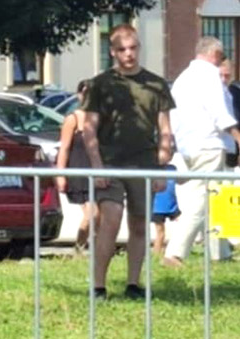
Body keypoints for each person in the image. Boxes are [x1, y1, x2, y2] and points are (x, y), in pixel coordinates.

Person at [75, 24, 175, 299]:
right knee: (111, 219)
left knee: (140, 223)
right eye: (122, 49)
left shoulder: (155, 84)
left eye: (132, 48)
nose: (128, 54)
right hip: (110, 163)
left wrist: (161, 168)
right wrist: (97, 166)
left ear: (138, 48)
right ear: (113, 52)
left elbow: (165, 130)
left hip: (144, 163)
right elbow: (89, 129)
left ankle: (133, 283)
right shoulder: (101, 84)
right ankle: (98, 285)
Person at [164, 37, 240, 265]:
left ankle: (220, 251)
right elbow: (220, 113)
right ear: (215, 53)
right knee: (200, 198)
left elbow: (173, 116)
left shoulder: (182, 79)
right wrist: (238, 136)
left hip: (190, 146)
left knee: (214, 199)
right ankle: (174, 252)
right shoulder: (209, 76)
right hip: (210, 143)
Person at [54, 79, 95, 256]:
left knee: (97, 215)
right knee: (91, 215)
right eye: (84, 93)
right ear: (79, 95)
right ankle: (79, 248)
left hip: (96, 172)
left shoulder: (98, 118)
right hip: (78, 172)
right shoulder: (72, 119)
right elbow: (64, 148)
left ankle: (91, 249)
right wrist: (60, 175)